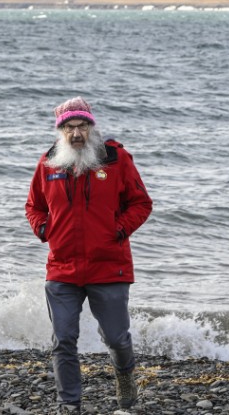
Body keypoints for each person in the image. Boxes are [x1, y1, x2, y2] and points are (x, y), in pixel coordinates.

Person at [25, 97, 153, 412]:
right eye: (69, 127)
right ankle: (69, 405)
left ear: (91, 126)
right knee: (63, 339)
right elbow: (34, 206)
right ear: (61, 131)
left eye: (82, 125)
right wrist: (45, 230)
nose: (77, 133)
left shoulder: (116, 159)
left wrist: (119, 230)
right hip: (62, 270)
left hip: (109, 267)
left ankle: (125, 383)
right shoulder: (49, 163)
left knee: (116, 338)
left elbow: (141, 203)